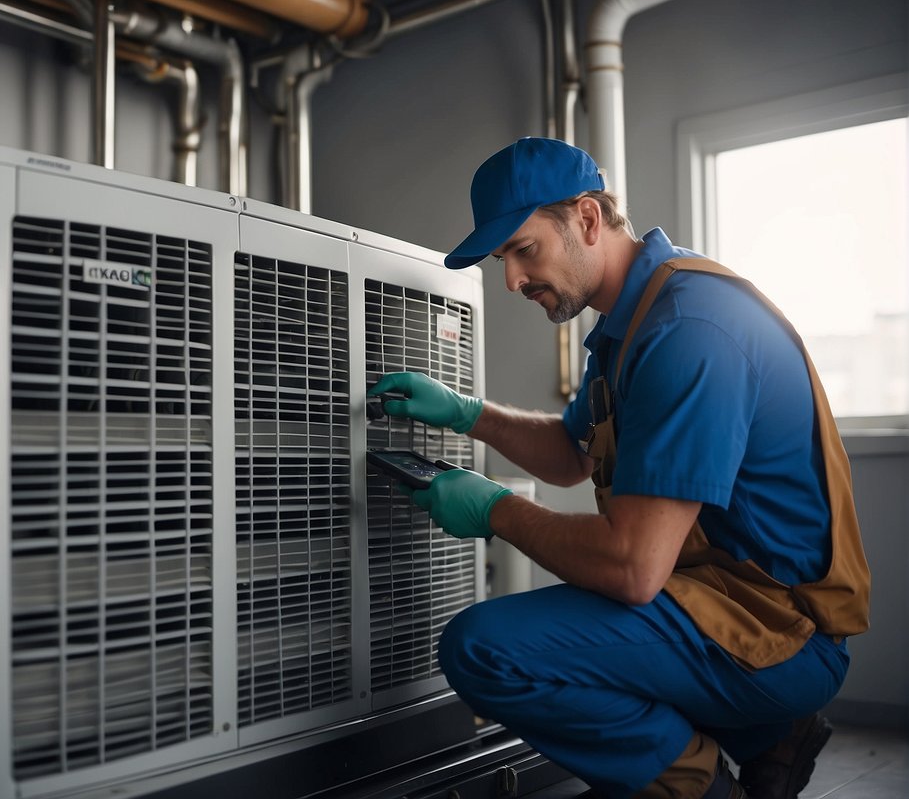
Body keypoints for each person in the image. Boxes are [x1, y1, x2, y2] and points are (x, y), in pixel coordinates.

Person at [367, 137, 870, 799]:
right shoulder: (629, 324)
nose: (512, 280)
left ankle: (702, 783)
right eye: (501, 260)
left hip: (778, 628)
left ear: (585, 219)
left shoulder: (689, 329)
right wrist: (466, 413)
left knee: (484, 648)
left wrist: (496, 510)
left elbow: (633, 569)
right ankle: (768, 735)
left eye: (523, 249)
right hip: (717, 601)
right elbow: (573, 455)